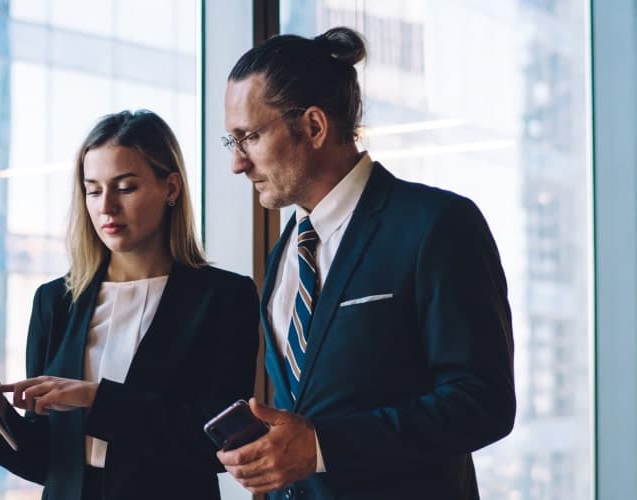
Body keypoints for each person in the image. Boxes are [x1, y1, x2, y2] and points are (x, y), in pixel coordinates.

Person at [216, 27, 517, 499]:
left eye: (249, 137)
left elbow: (484, 403)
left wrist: (322, 446)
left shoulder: (436, 225)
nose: (238, 163)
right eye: (231, 141)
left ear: (314, 127)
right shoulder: (284, 252)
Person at [0, 109, 260, 500]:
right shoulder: (55, 302)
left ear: (171, 188)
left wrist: (96, 399)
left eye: (125, 188)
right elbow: (47, 462)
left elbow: (218, 444)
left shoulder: (225, 297)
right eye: (93, 190)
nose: (106, 207)